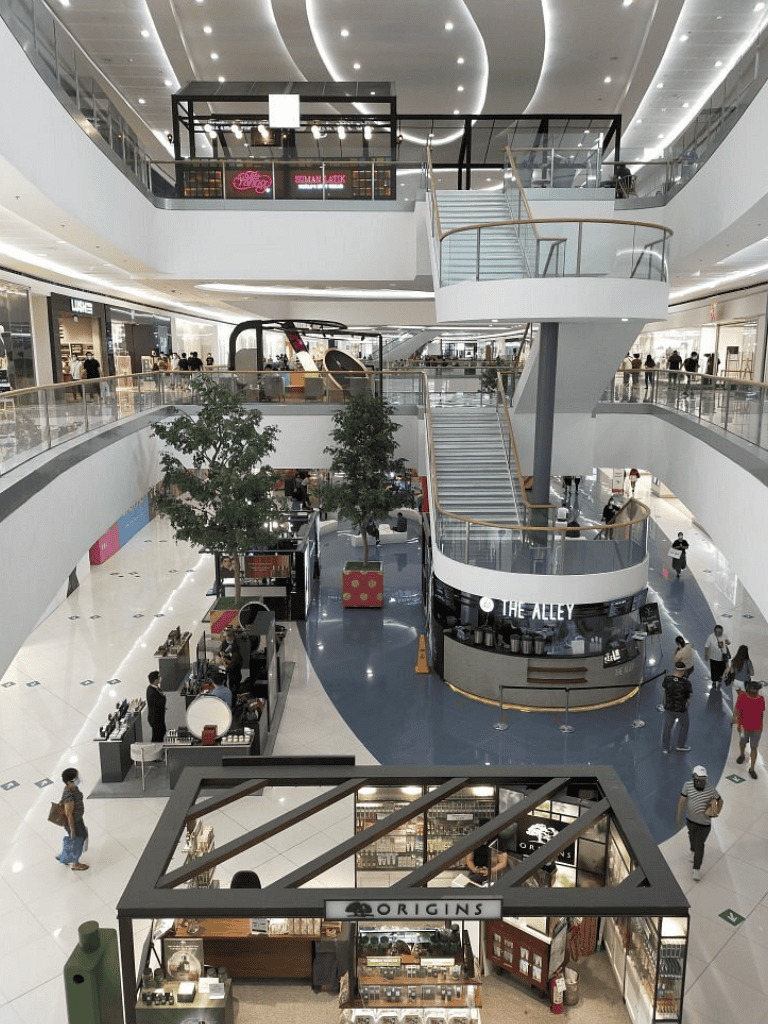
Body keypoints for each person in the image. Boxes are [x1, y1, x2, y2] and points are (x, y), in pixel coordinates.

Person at [677, 765, 722, 880]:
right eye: (698, 779)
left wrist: (716, 812)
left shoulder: (710, 789)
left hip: (704, 824)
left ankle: (696, 869)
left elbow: (720, 800)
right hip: (690, 820)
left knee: (700, 845)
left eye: (703, 780)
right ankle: (692, 851)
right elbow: (682, 801)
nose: (700, 782)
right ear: (694, 777)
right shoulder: (687, 786)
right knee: (691, 837)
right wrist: (679, 816)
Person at [56, 767, 89, 871]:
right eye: (76, 778)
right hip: (74, 822)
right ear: (69, 782)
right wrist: (73, 830)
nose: (78, 779)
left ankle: (64, 857)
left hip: (77, 819)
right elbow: (69, 814)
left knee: (77, 838)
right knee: (78, 839)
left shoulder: (72, 788)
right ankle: (76, 863)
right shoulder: (69, 796)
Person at [734, 681, 765, 778]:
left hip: (756, 729)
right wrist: (739, 724)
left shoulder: (761, 699)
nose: (755, 692)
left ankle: (752, 769)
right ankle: (742, 755)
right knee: (743, 742)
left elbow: (761, 714)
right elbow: (737, 711)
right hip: (744, 728)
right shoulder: (742, 697)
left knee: (754, 747)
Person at [661, 665, 692, 753]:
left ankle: (665, 747)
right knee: (685, 725)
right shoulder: (686, 683)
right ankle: (680, 745)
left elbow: (664, 688)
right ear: (683, 671)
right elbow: (688, 696)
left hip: (669, 708)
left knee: (667, 727)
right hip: (681, 709)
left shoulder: (667, 679)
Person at [704, 624, 731, 689]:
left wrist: (725, 642)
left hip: (722, 658)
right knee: (714, 670)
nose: (719, 633)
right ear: (714, 631)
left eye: (720, 631)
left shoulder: (724, 636)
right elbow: (706, 646)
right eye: (717, 631)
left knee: (721, 670)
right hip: (713, 658)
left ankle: (719, 678)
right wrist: (706, 654)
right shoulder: (711, 637)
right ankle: (714, 681)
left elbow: (728, 643)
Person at [146, 669, 167, 743]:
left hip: (158, 717)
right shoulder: (152, 692)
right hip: (155, 719)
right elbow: (161, 702)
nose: (159, 679)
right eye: (158, 678)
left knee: (162, 732)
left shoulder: (153, 688)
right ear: (155, 680)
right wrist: (164, 697)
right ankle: (155, 749)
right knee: (157, 736)